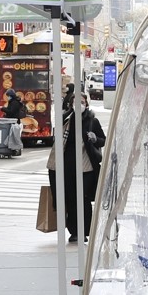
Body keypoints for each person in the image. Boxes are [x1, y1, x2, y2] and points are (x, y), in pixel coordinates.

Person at [47, 93, 105, 243]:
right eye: (75, 102)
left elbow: (103, 140)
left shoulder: (92, 121)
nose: (79, 104)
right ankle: (74, 231)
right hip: (67, 166)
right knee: (71, 198)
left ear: (86, 104)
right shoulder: (66, 120)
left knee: (83, 198)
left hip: (86, 166)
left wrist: (94, 138)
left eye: (82, 101)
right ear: (71, 104)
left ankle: (86, 230)